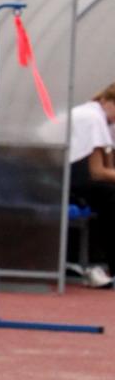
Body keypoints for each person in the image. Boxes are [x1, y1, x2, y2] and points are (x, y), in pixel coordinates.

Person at [68, 83, 115, 288]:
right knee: (111, 198)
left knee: (109, 192)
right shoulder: (93, 118)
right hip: (66, 181)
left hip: (68, 176)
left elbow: (108, 167)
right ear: (104, 100)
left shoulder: (98, 116)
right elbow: (98, 172)